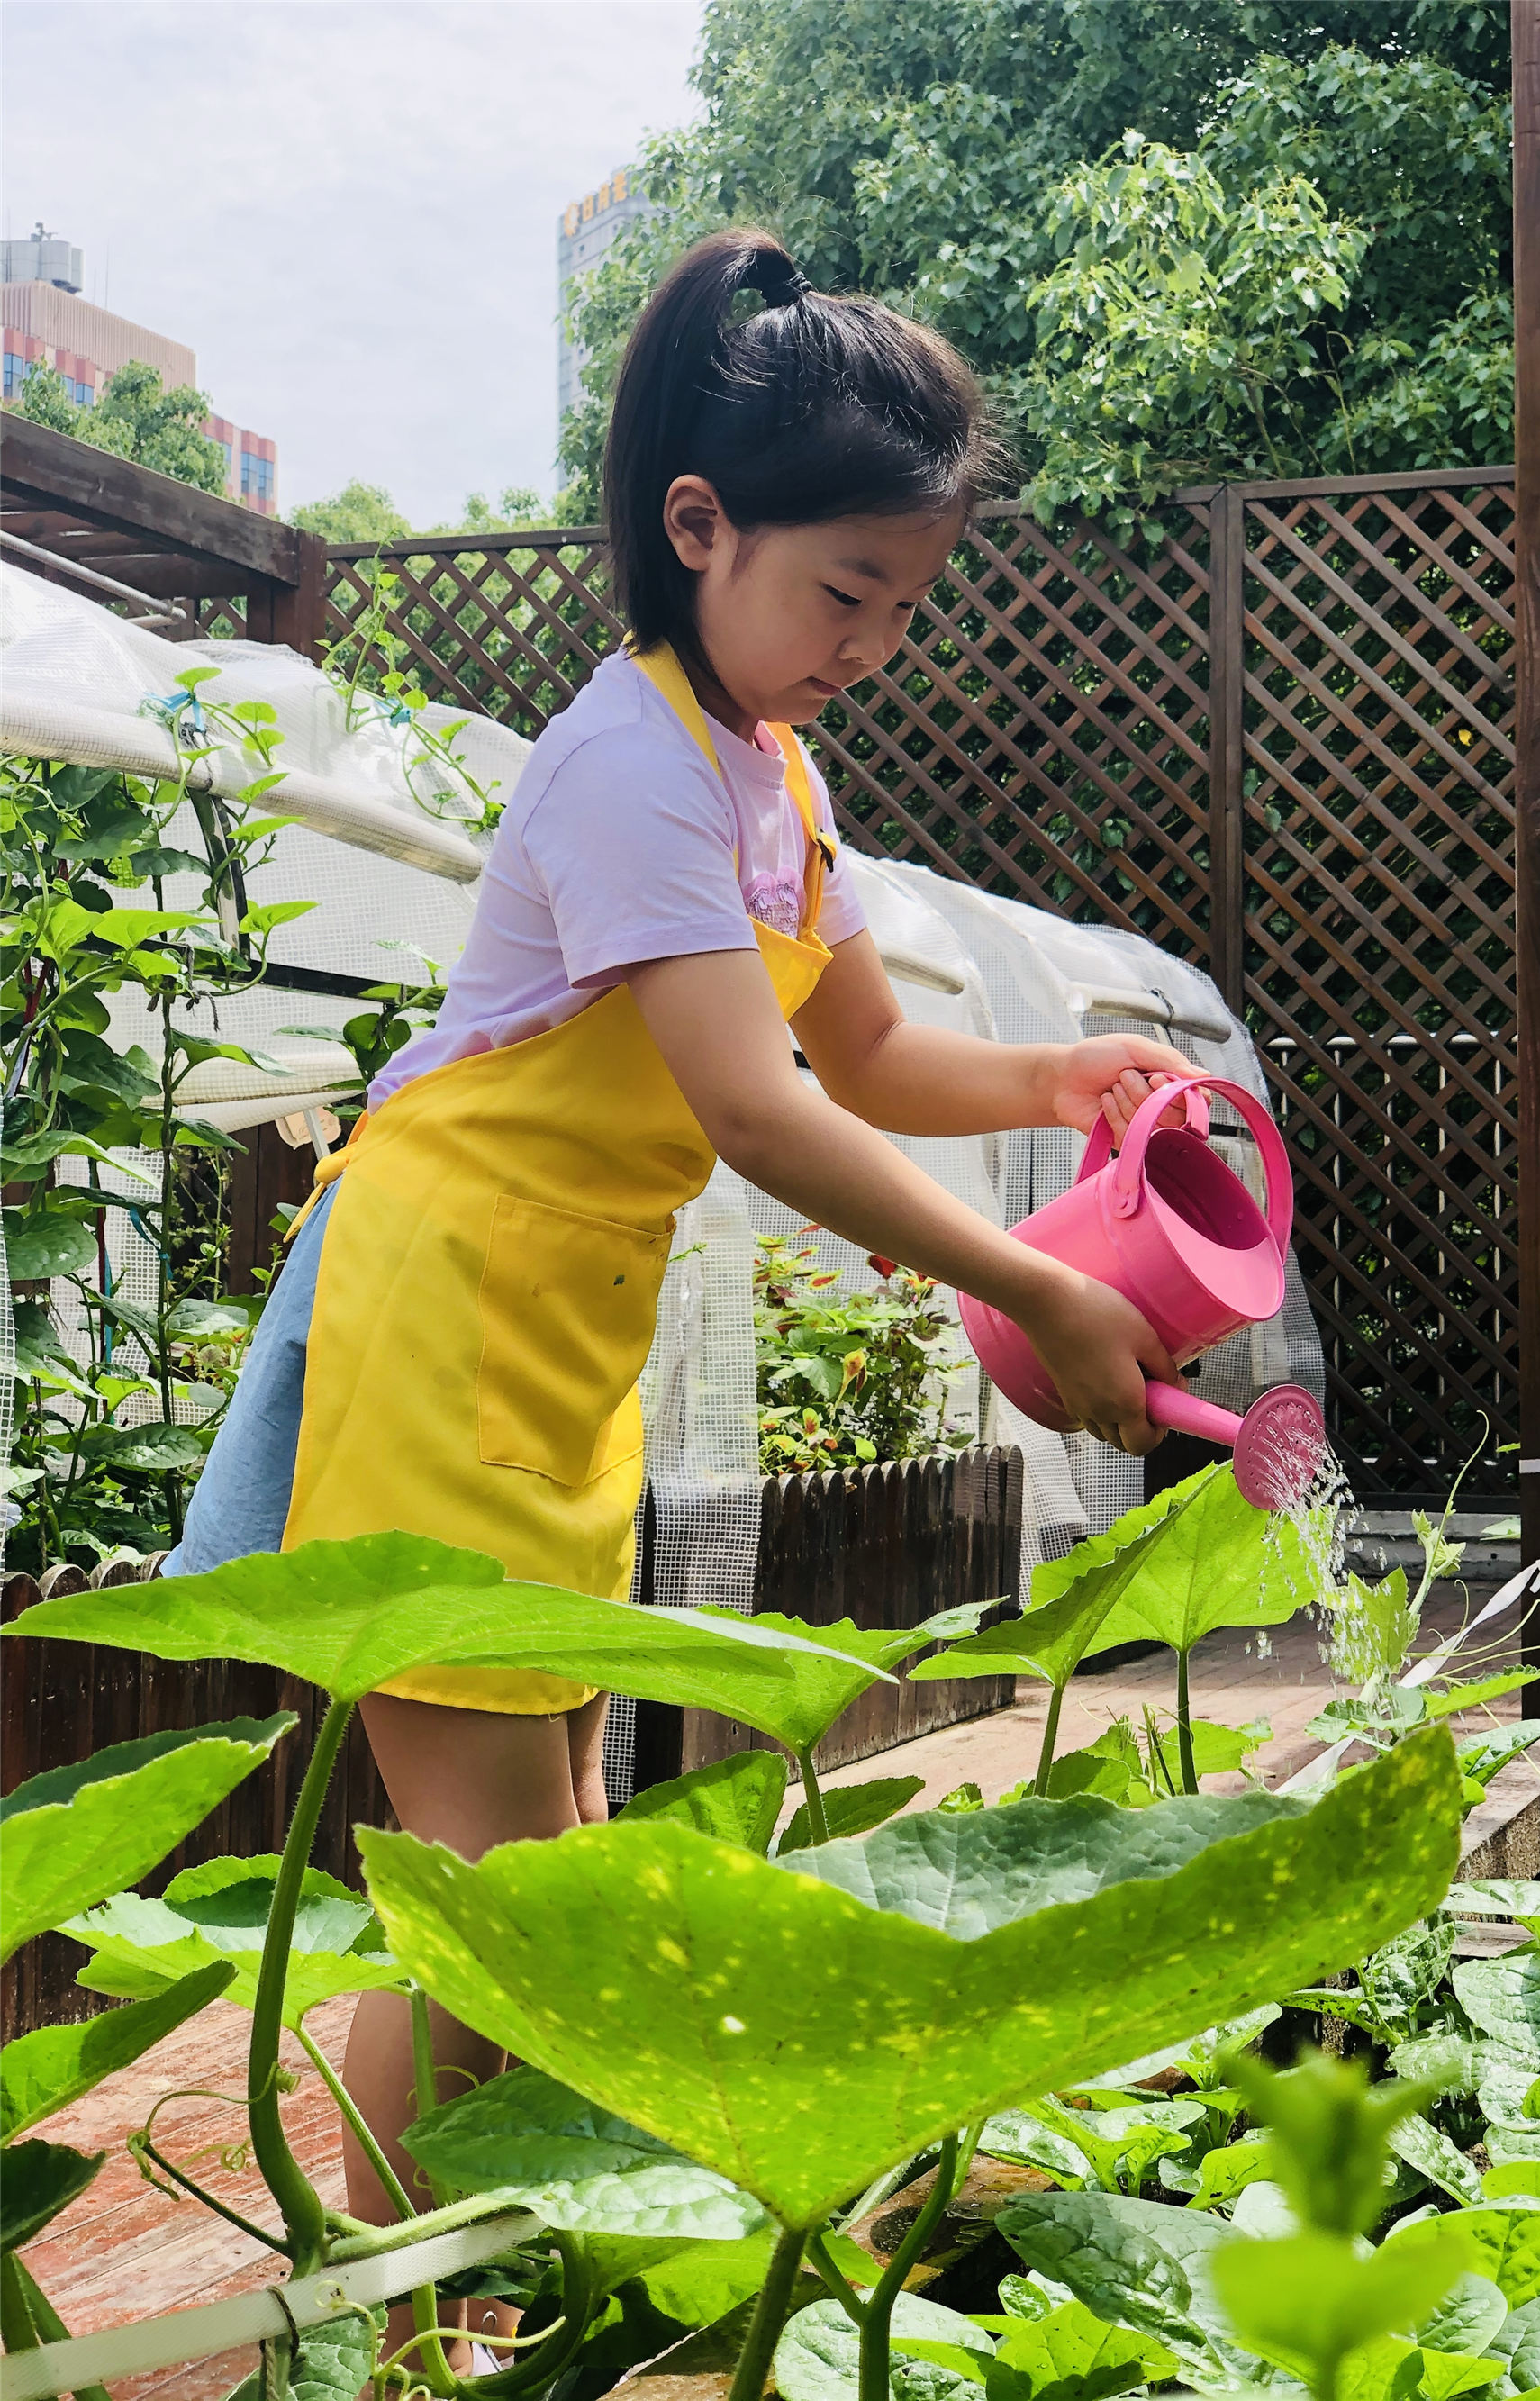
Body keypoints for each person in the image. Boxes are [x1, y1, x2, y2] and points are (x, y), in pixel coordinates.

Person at [168, 227, 1188, 2280]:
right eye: (844, 593)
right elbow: (750, 1104)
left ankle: (461, 2284)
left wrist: (1055, 1077)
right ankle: (378, 2314)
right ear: (697, 525)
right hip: (450, 1304)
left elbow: (870, 1048)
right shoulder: (631, 756)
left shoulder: (772, 775)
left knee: (537, 1860)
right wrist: (1031, 1282)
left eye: (902, 608)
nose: (869, 645)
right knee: (490, 1886)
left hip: (556, 1334)